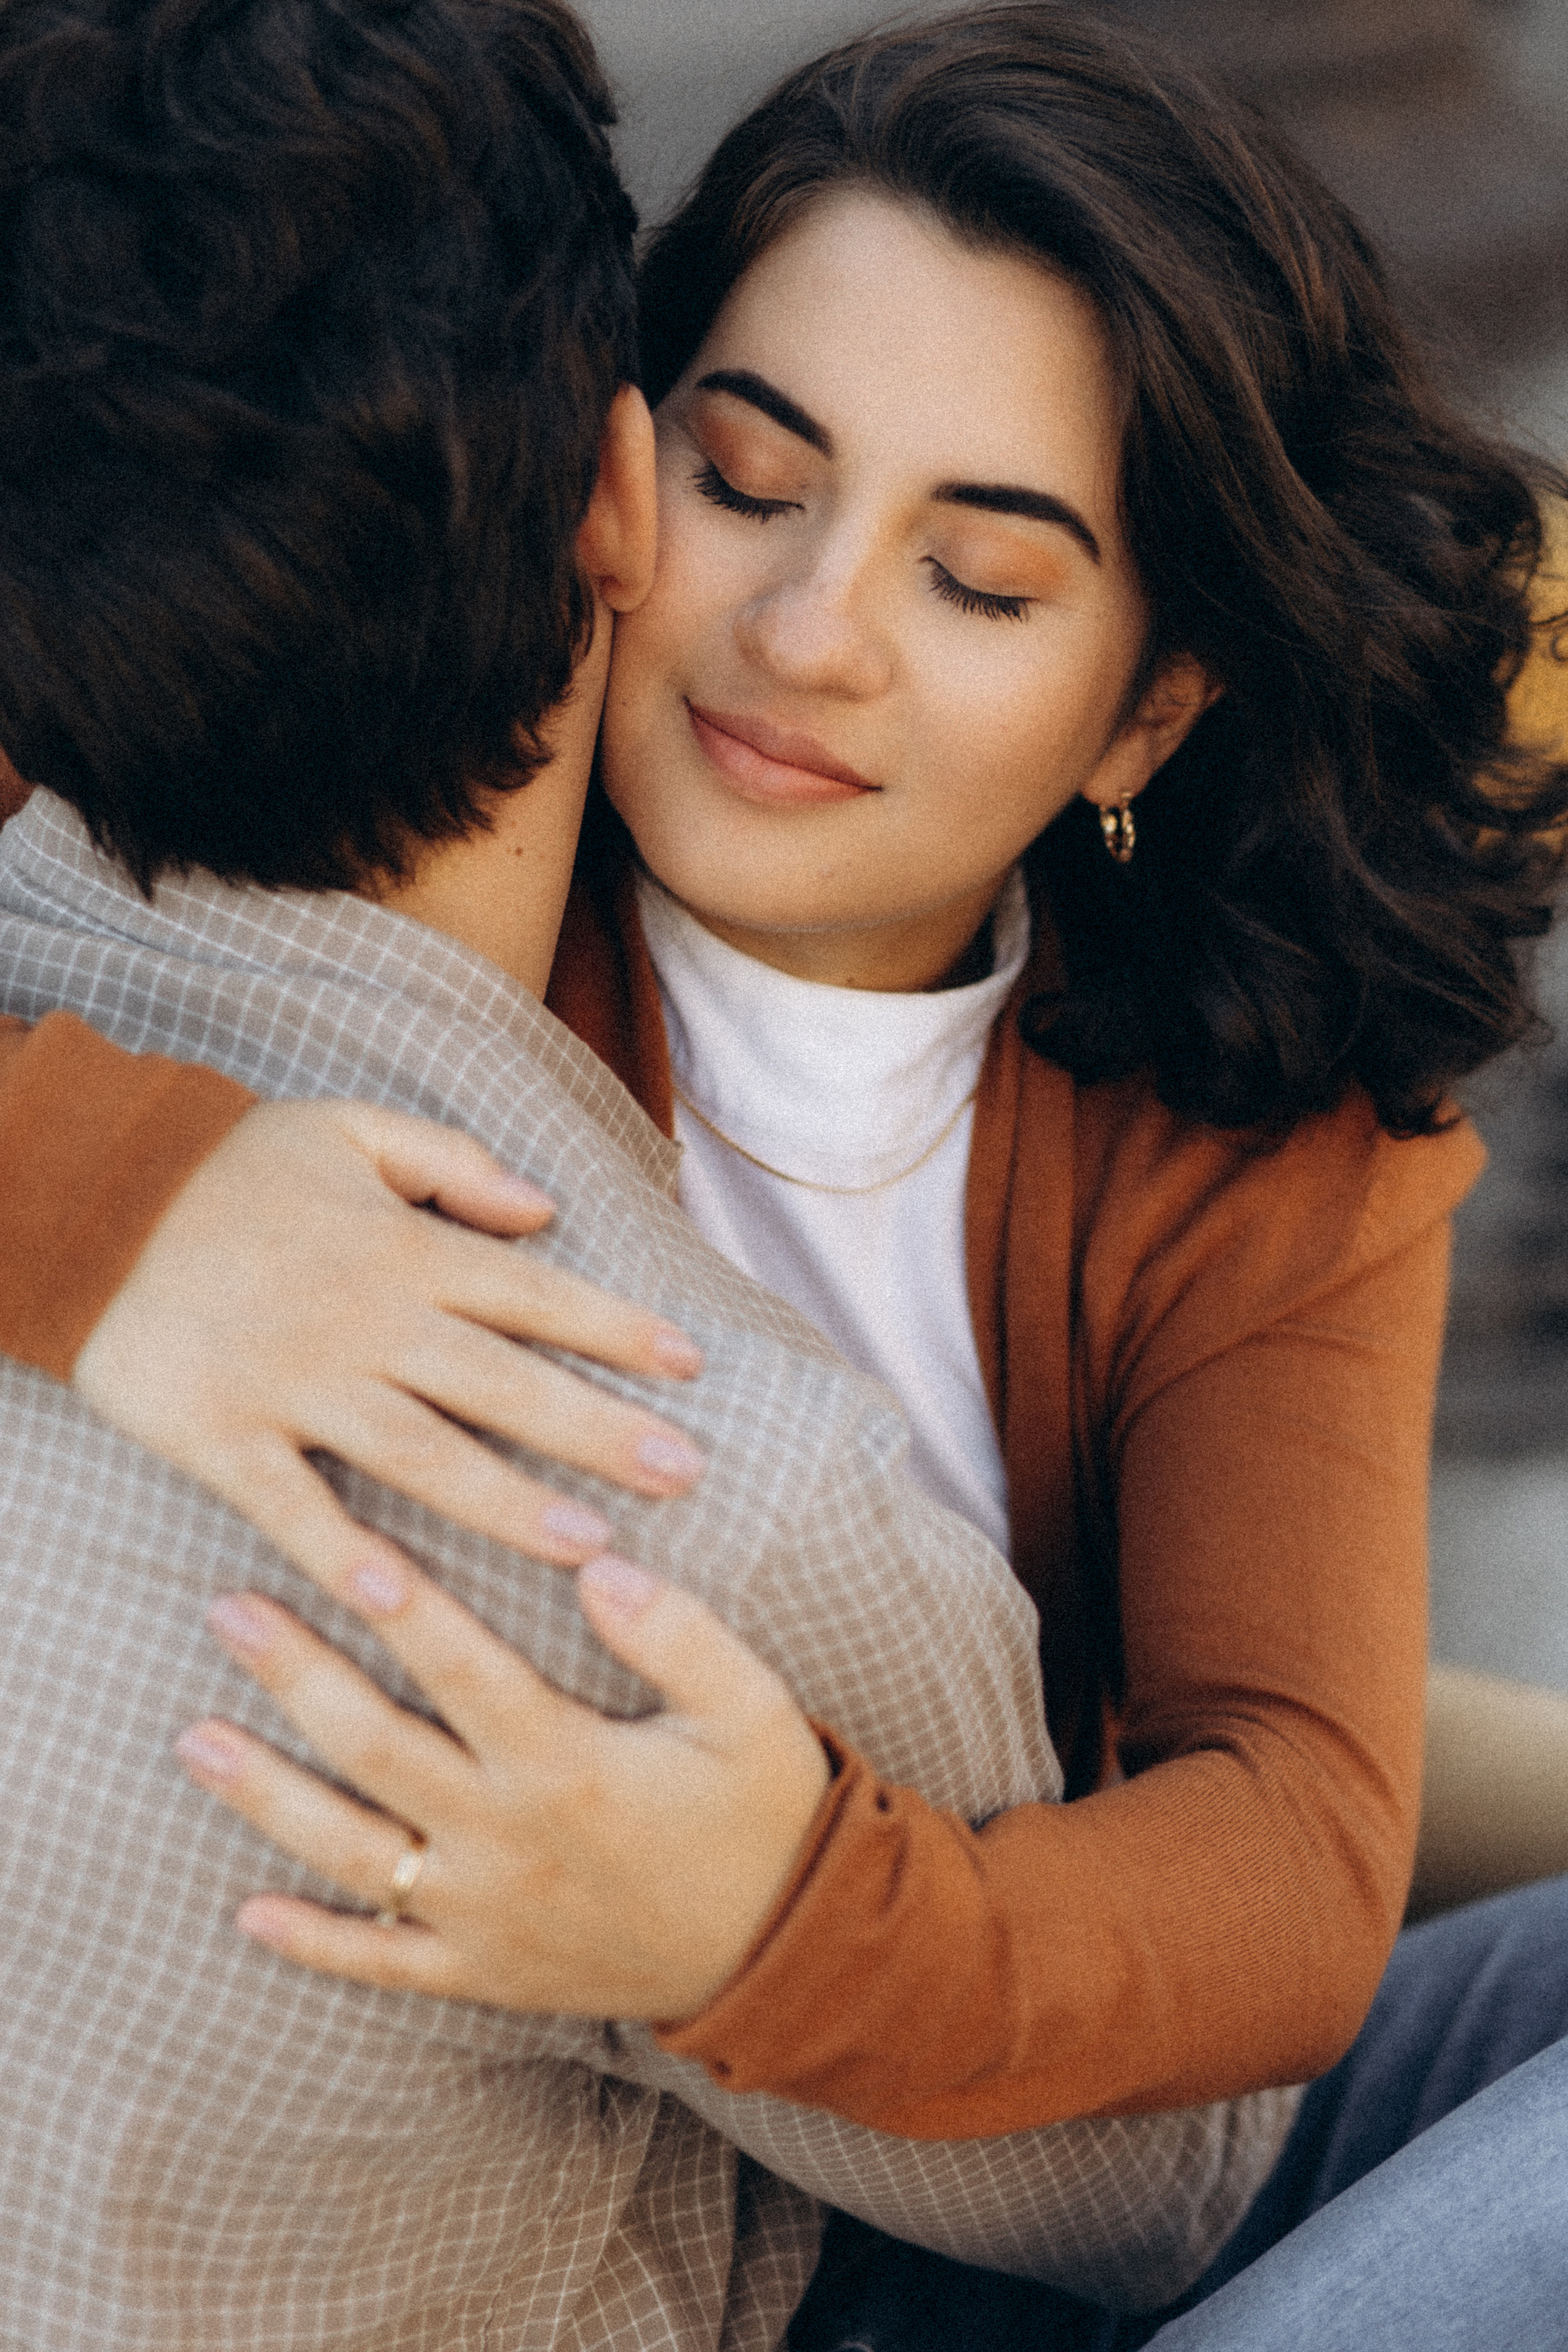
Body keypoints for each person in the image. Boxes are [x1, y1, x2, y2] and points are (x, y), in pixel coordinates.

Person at [135, 6, 1568, 2343]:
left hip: (1068, 2158)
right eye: (749, 475)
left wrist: (763, 1920)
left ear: (1140, 707)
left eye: (978, 582)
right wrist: (127, 1224)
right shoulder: (401, 816)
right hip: (662, 2252)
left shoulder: (1265, 1132)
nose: (809, 636)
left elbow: (1294, 1851)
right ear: (613, 461)